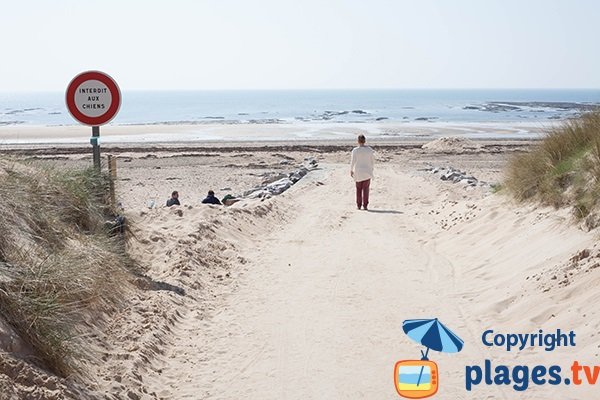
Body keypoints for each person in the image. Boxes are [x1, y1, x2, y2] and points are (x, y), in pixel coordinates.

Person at [350, 134, 374, 210]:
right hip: (367, 171)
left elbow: (353, 161)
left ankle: (359, 205)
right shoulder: (369, 150)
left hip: (358, 171)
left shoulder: (355, 150)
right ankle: (365, 205)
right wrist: (371, 170)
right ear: (365, 141)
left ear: (358, 141)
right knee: (366, 189)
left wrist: (351, 170)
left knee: (358, 189)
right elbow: (372, 161)